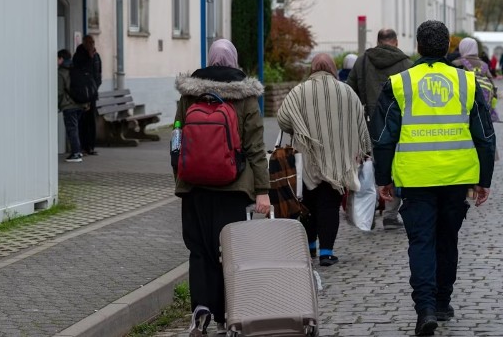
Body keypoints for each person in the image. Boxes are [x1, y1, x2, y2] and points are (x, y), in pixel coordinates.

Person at [372, 21, 496, 336]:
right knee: (447, 240)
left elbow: (384, 137)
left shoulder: (400, 83)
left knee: (422, 242)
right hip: (457, 177)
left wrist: (383, 178)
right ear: (445, 47)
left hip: (415, 178)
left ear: (417, 46)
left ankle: (425, 307)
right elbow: (484, 135)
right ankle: (443, 302)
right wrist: (484, 179)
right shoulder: (467, 82)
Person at [174, 39, 270, 337]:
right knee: (230, 252)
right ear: (234, 60)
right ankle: (229, 313)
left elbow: (177, 138)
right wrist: (263, 190)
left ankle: (201, 307)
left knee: (199, 250)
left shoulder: (190, 93)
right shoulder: (246, 96)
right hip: (234, 187)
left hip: (194, 187)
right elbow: (255, 147)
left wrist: (181, 172)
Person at [277, 54, 371, 267]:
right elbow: (360, 123)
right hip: (338, 161)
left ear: (312, 69)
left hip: (306, 159)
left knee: (307, 204)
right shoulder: (347, 91)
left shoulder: (299, 91)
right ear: (332, 69)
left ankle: (310, 246)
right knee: (329, 205)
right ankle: (327, 252)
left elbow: (283, 119)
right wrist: (364, 150)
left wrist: (298, 128)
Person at [346, 28, 412, 229]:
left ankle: (368, 212)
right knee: (395, 168)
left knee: (368, 169)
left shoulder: (363, 61)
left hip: (367, 124)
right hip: (397, 124)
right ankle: (391, 214)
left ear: (377, 41)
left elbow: (350, 92)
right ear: (396, 42)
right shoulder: (406, 64)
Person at [57, 49, 87, 163]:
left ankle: (76, 153)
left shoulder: (61, 72)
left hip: (69, 105)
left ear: (61, 59)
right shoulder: (76, 68)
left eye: (57, 59)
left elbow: (59, 92)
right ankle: (77, 151)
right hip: (79, 103)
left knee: (72, 129)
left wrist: (57, 105)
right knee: (75, 128)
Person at [78, 35, 102, 156]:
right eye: (89, 42)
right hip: (82, 95)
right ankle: (82, 146)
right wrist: (89, 57)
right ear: (84, 43)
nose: (91, 44)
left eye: (92, 42)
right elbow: (79, 72)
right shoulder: (80, 54)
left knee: (91, 121)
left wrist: (95, 87)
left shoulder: (96, 56)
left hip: (92, 94)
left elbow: (98, 74)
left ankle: (91, 146)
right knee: (83, 121)